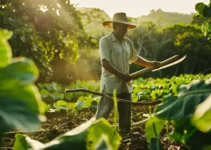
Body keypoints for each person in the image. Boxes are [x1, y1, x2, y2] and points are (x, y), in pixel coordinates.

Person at [95, 12, 160, 135]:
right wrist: (122, 75)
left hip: (125, 84)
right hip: (111, 84)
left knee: (125, 113)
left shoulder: (127, 42)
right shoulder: (105, 41)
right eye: (124, 26)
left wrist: (150, 64)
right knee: (103, 112)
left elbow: (135, 58)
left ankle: (124, 135)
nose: (126, 30)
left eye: (127, 27)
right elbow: (105, 63)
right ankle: (94, 135)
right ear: (116, 26)